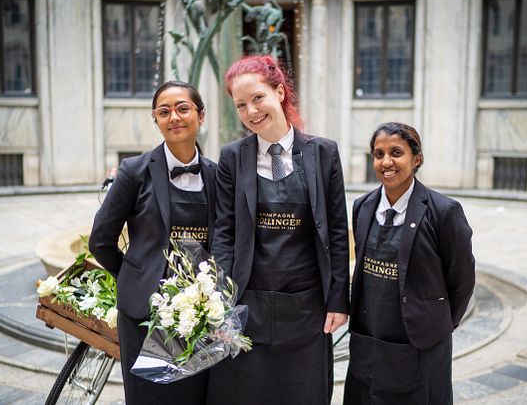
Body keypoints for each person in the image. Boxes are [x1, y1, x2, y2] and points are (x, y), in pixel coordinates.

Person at [206, 55, 349, 405]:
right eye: (241, 105)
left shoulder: (323, 152)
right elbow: (224, 232)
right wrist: (220, 300)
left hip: (305, 309)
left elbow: (337, 232)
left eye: (258, 98)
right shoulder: (232, 157)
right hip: (247, 306)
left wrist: (338, 299)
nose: (252, 111)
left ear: (280, 92)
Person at [89, 81, 216, 405]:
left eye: (183, 108)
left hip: (198, 313)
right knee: (148, 396)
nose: (174, 117)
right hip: (144, 313)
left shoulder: (218, 175)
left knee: (195, 395)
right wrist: (136, 275)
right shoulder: (134, 171)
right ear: (156, 119)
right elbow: (101, 240)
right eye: (164, 111)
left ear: (200, 116)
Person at [343, 123, 475, 405]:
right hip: (369, 340)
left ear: (416, 159)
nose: (386, 162)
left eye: (396, 153)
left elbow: (462, 281)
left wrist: (437, 323)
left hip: (420, 346)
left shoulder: (444, 212)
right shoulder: (362, 207)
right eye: (378, 154)